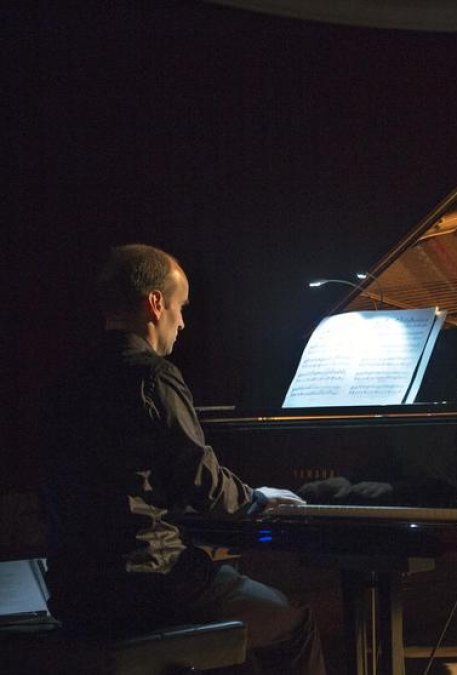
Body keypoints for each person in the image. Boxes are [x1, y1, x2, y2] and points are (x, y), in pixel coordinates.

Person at [40, 243, 326, 674]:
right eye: (180, 306)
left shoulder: (67, 379)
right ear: (156, 303)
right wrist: (256, 498)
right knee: (292, 619)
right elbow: (203, 483)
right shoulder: (153, 376)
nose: (183, 321)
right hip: (151, 583)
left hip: (75, 590)